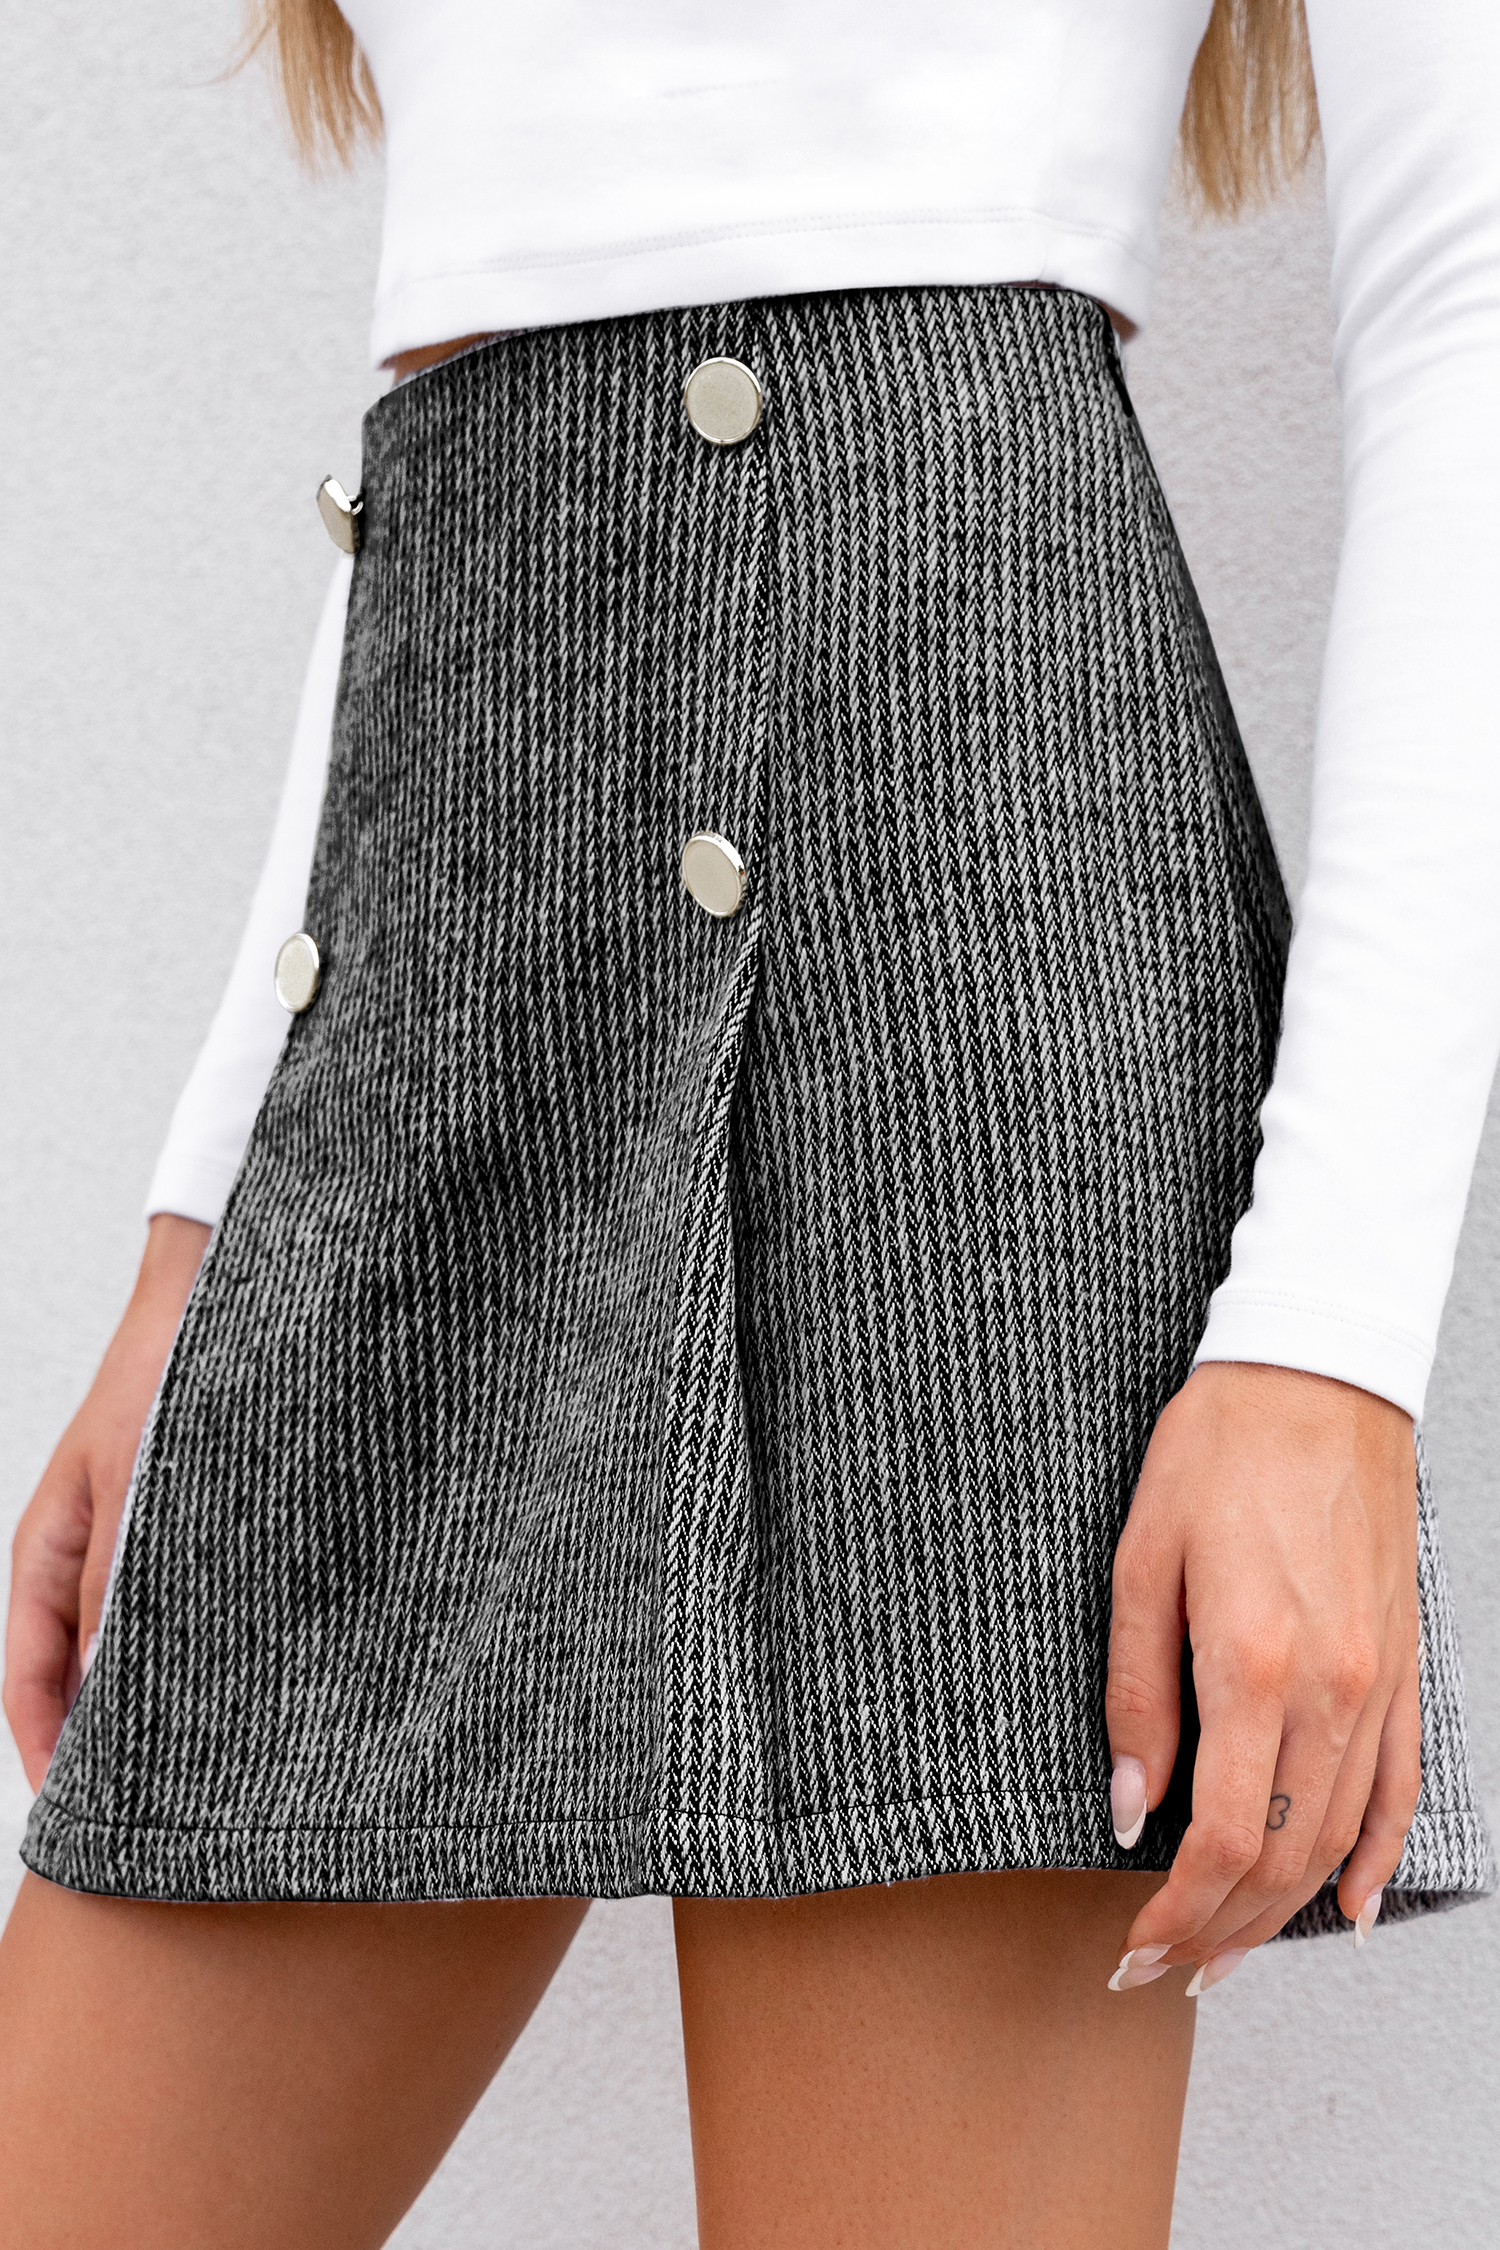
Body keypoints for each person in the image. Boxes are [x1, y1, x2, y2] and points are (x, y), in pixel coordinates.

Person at [2, 1, 1497, 2243]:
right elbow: (461, 372)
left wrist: (1327, 1348)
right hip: (443, 939)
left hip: (955, 933)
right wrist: (201, 1226)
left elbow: (1472, 316)